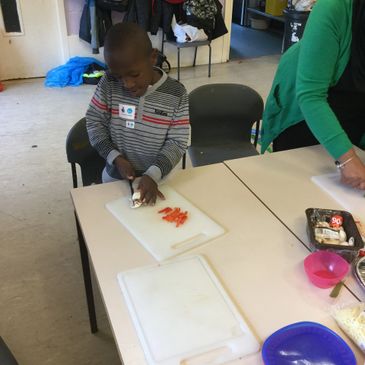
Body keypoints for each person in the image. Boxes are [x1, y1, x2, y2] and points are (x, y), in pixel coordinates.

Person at [261, 0, 365, 190]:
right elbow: (311, 96)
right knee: (297, 195)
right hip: (304, 121)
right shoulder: (334, 8)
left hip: (353, 118)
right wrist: (347, 158)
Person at [86, 22, 190, 204]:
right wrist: (115, 158)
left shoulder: (176, 93)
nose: (127, 84)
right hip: (115, 179)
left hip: (160, 179)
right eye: (119, 76)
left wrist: (153, 174)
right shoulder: (108, 83)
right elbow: (94, 123)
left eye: (134, 75)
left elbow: (177, 142)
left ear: (153, 57)